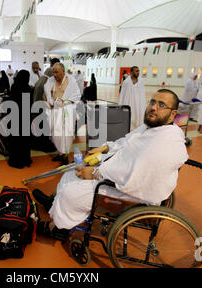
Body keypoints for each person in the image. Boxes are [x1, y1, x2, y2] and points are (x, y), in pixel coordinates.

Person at [33, 89, 188, 240]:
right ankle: (54, 204)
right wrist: (104, 148)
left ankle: (58, 229)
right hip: (114, 174)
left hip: (129, 193)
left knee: (70, 192)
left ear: (173, 113)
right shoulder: (152, 128)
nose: (154, 107)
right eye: (153, 102)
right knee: (72, 172)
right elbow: (126, 141)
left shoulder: (166, 142)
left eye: (161, 105)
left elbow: (134, 175)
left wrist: (95, 173)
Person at [43, 62, 81, 166]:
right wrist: (48, 102)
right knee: (56, 135)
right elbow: (45, 94)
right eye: (53, 72)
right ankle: (60, 153)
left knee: (66, 136)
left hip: (67, 111)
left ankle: (65, 156)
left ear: (63, 71)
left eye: (57, 72)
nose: (54, 75)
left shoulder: (71, 81)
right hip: (54, 111)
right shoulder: (50, 81)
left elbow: (77, 96)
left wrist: (65, 102)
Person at [7, 70, 33, 169]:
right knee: (25, 140)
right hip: (25, 118)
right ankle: (26, 159)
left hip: (15, 117)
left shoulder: (14, 87)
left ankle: (16, 161)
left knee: (16, 140)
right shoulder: (28, 89)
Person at [118, 66, 146, 130]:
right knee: (130, 119)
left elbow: (142, 95)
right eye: (136, 71)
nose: (138, 72)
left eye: (138, 71)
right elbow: (122, 95)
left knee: (138, 119)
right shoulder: (126, 82)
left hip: (138, 105)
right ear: (131, 72)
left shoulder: (141, 82)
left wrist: (143, 106)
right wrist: (121, 106)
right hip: (129, 104)